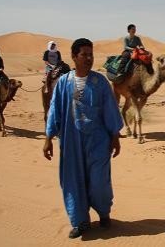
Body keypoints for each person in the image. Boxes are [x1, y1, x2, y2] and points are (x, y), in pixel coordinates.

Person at [43, 38, 123, 239]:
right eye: (84, 54)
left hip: (98, 141)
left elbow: (110, 110)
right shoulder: (64, 83)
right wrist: (48, 138)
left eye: (91, 54)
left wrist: (115, 136)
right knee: (73, 181)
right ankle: (79, 221)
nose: (89, 58)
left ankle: (104, 212)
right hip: (71, 142)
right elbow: (55, 110)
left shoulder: (100, 82)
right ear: (74, 57)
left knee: (99, 181)